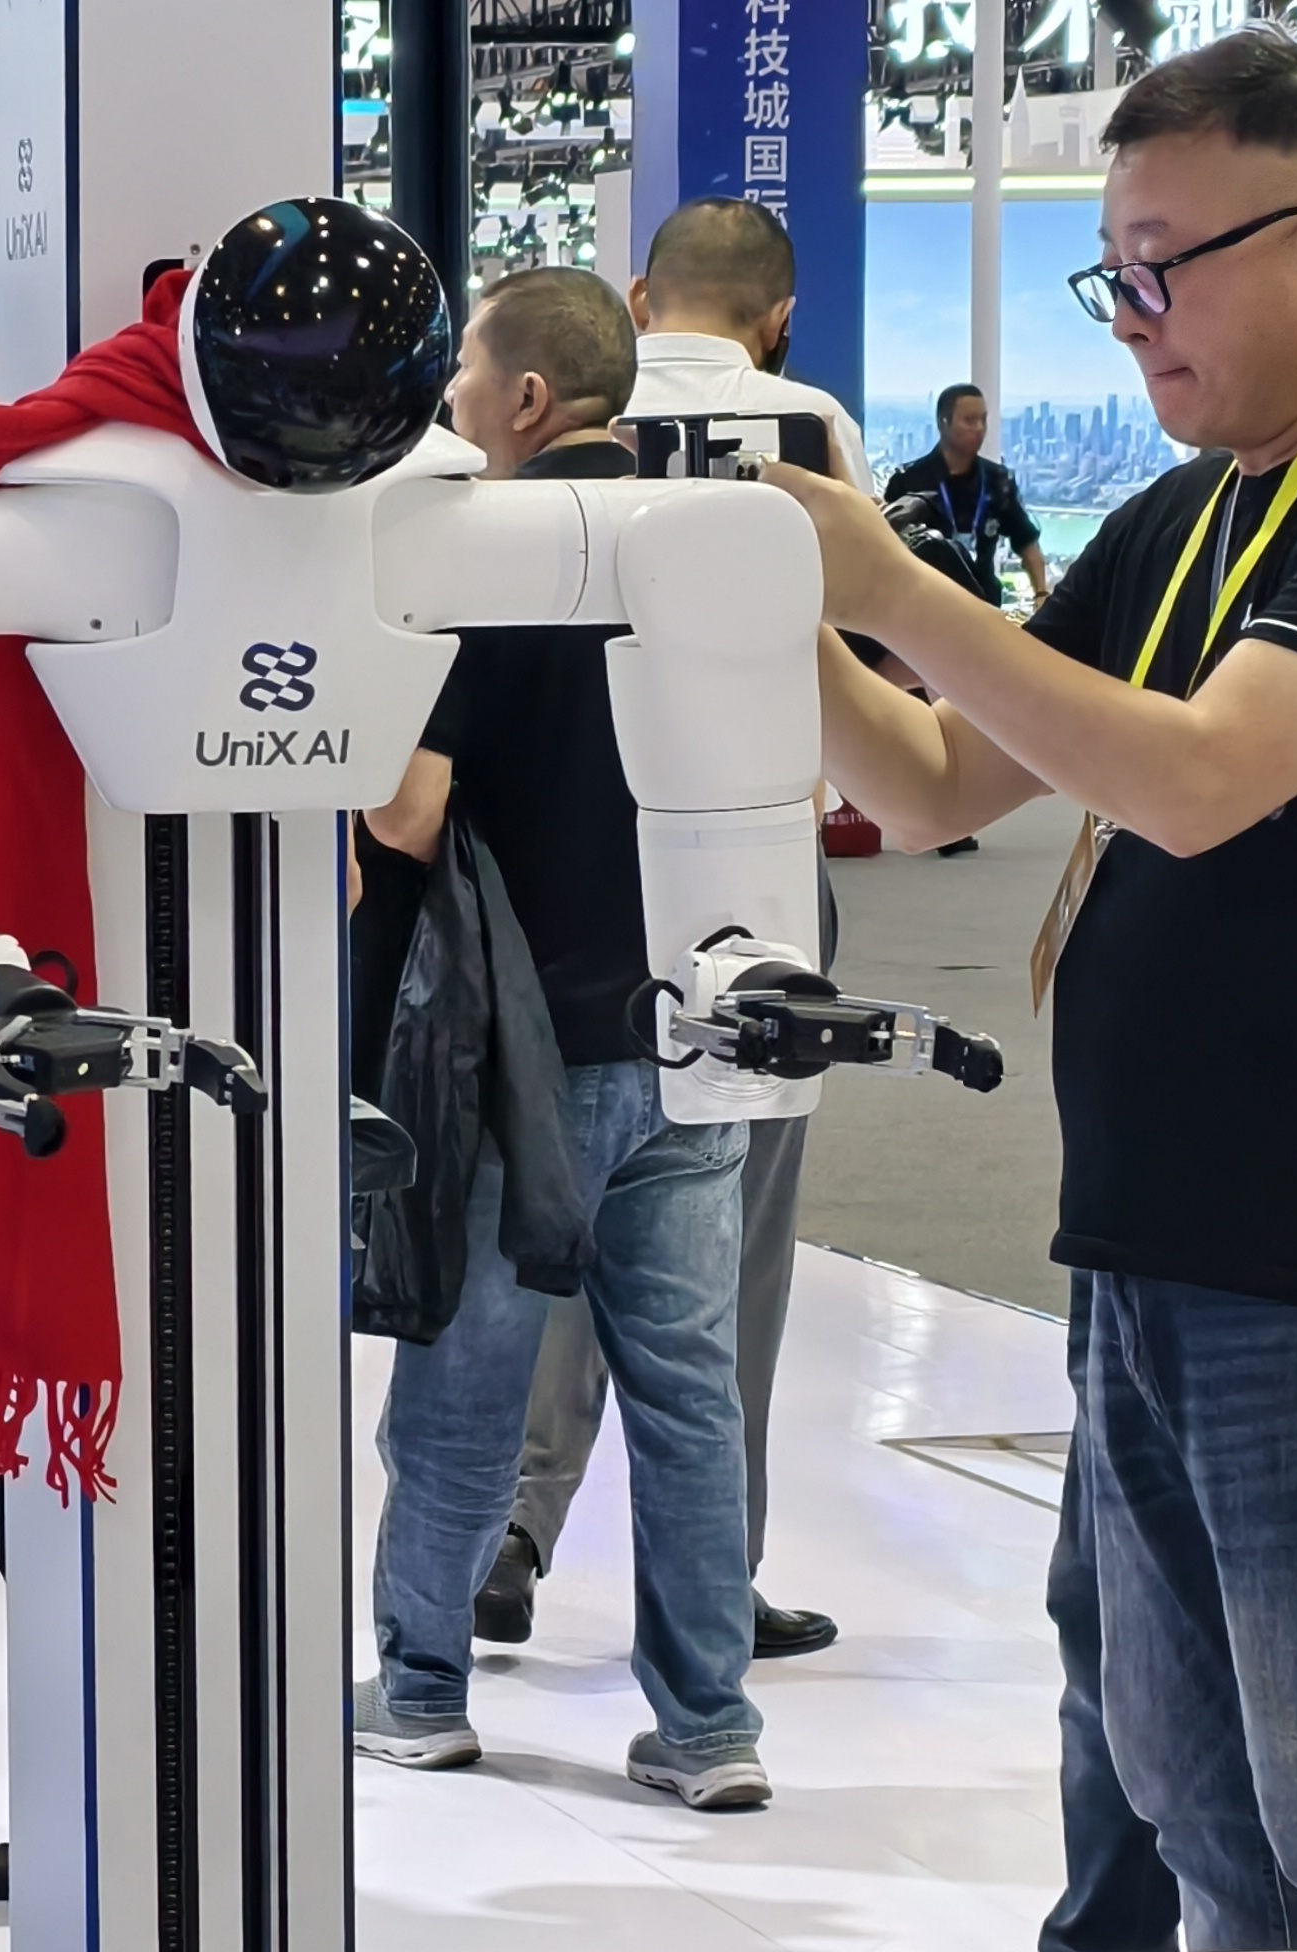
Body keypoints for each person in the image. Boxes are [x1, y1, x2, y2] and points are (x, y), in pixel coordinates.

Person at [765, 29, 1297, 1952]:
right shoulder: (1187, 514)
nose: (1130, 317)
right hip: (1152, 1238)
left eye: (1159, 268)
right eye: (1110, 274)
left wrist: (893, 587)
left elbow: (1201, 782)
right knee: (1191, 1789)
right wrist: (755, 604)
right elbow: (933, 781)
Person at [344, 266, 776, 1811]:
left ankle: (420, 1689)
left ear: (527, 398)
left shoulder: (497, 558)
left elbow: (409, 810)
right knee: (689, 1398)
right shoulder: (709, 545)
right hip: (697, 1034)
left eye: (465, 374)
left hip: (517, 1052)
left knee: (465, 1390)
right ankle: (710, 1726)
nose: (452, 402)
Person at [492, 193, 870, 1663]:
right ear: (778, 319)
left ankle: (510, 1528)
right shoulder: (809, 428)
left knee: (550, 1201)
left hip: (563, 870)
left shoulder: (561, 421)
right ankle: (721, 1582)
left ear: (640, 303)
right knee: (731, 1241)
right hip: (752, 879)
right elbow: (862, 648)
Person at [624, 197, 875, 492]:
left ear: (639, 298)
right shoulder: (821, 420)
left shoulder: (591, 415)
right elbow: (860, 521)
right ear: (780, 320)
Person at [885, 384, 1055, 606]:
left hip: (984, 604)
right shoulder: (909, 482)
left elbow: (1027, 543)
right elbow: (886, 549)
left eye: (983, 420)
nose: (979, 428)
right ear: (943, 423)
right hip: (925, 608)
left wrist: (1041, 594)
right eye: (969, 420)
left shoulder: (998, 481)